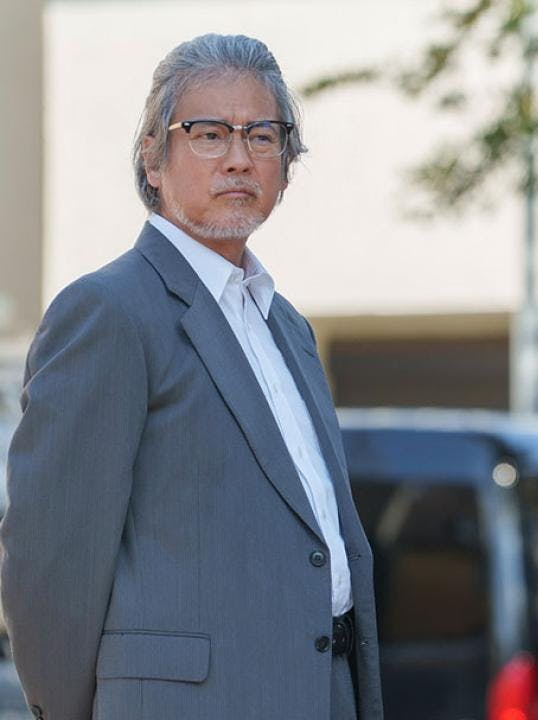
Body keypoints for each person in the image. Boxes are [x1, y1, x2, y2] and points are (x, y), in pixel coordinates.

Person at [0, 34, 382, 720]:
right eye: (208, 134)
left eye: (262, 136)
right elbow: (49, 560)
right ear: (153, 157)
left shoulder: (287, 327)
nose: (239, 158)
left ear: (286, 164)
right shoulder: (110, 312)